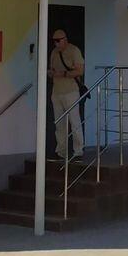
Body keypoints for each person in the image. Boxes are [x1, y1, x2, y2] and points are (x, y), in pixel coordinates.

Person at [48, 29, 85, 160]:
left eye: (58, 40)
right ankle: (61, 151)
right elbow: (52, 69)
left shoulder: (74, 51)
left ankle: (78, 151)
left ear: (65, 39)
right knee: (59, 124)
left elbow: (80, 71)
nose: (56, 43)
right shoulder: (54, 52)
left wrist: (63, 74)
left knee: (74, 122)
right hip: (57, 92)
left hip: (71, 91)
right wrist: (51, 73)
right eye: (54, 41)